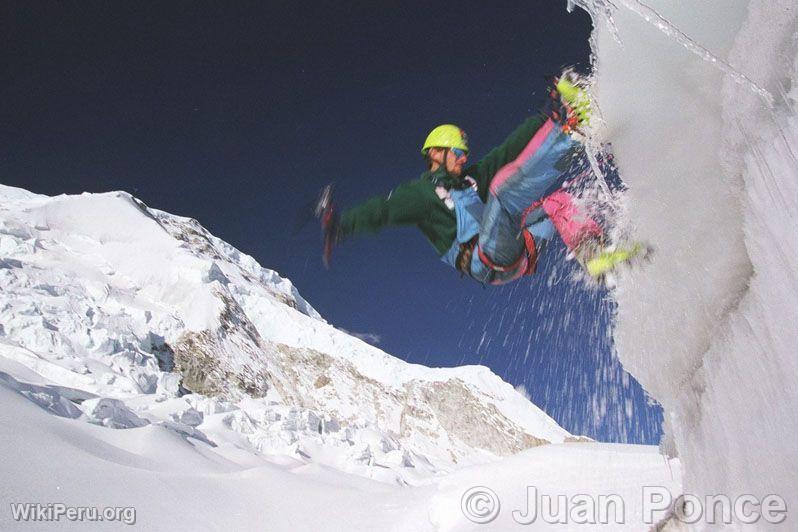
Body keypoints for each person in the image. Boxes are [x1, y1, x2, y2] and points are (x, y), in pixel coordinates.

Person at [318, 76, 623, 285]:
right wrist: (340, 225)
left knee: (558, 202)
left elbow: (507, 150)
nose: (464, 158)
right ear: (435, 153)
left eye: (464, 153)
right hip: (483, 259)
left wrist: (545, 116)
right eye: (457, 152)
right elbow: (382, 211)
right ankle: (572, 131)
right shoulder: (422, 193)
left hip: (517, 249)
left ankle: (595, 255)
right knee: (503, 192)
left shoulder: (471, 180)